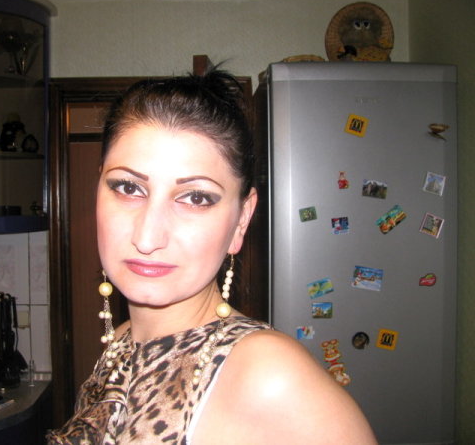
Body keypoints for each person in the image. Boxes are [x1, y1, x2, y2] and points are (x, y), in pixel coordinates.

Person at [47, 68, 376, 444]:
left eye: (195, 197)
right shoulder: (121, 341)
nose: (148, 237)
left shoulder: (270, 377)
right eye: (128, 187)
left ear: (241, 219)